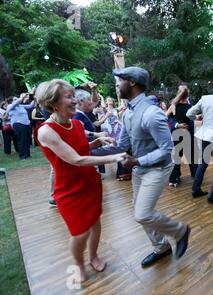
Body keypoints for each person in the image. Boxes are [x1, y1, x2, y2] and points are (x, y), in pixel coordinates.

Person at [91, 66, 191, 268]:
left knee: (143, 214)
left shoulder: (152, 114)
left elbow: (167, 149)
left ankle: (180, 231)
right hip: (140, 169)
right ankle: (161, 247)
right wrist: (87, 154)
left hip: (158, 168)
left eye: (119, 81)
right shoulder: (128, 113)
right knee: (141, 212)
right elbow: (122, 146)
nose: (117, 85)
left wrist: (136, 161)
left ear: (132, 83)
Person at [35, 79, 127, 283]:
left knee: (95, 222)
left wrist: (98, 140)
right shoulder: (46, 131)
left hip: (90, 183)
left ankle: (93, 256)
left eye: (73, 95)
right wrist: (114, 157)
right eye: (68, 96)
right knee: (79, 232)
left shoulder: (75, 123)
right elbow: (76, 159)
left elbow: (83, 147)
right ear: (53, 102)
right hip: (69, 190)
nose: (74, 100)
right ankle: (78, 264)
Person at [166, 85, 197, 187]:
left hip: (185, 134)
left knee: (187, 156)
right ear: (187, 94)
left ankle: (193, 175)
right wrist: (177, 125)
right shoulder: (175, 106)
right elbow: (168, 118)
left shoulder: (186, 105)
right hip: (180, 134)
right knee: (182, 156)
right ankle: (177, 177)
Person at [6, 93, 35, 160]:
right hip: (18, 125)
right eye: (15, 99)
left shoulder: (20, 106)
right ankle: (23, 156)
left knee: (27, 140)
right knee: (22, 140)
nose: (17, 100)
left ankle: (27, 155)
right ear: (11, 101)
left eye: (17, 98)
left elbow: (31, 106)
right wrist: (21, 97)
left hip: (26, 124)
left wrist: (34, 98)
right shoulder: (10, 106)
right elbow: (16, 103)